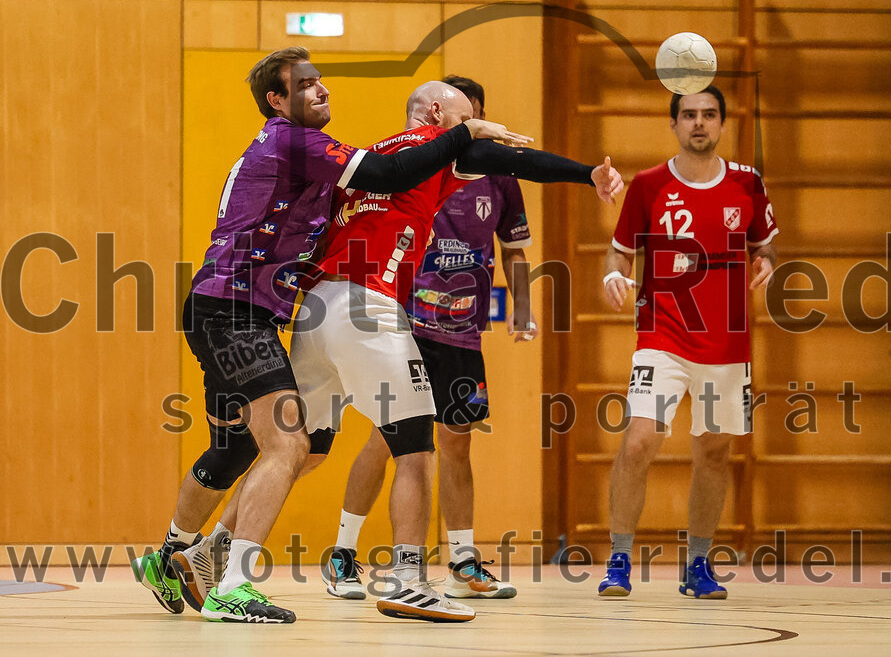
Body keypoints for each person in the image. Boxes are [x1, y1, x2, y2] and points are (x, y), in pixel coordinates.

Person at [132, 47, 530, 624]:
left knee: (248, 446)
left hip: (259, 312)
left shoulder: (321, 163)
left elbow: (363, 195)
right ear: (277, 100)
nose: (322, 91)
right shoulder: (300, 143)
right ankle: (237, 581)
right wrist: (469, 133)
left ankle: (180, 558)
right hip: (235, 307)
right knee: (294, 445)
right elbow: (388, 173)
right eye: (306, 84)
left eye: (322, 82)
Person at [289, 80, 622, 622]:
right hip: (383, 312)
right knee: (409, 445)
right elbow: (497, 154)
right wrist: (587, 174)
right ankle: (392, 573)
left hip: (349, 311)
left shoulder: (370, 160)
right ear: (443, 116)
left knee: (300, 449)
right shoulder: (433, 156)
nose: (479, 134)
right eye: (471, 123)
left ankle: (215, 551)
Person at [325, 75, 533, 603]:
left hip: (462, 331)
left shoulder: (500, 174)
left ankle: (463, 562)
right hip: (406, 322)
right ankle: (343, 553)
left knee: (456, 443)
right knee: (387, 437)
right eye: (466, 123)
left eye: (479, 122)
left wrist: (523, 310)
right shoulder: (418, 162)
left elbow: (514, 249)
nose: (474, 132)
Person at [597, 86, 778, 600]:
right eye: (690, 115)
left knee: (714, 452)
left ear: (723, 123)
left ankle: (697, 565)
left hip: (728, 341)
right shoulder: (650, 185)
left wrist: (767, 260)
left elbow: (765, 245)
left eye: (710, 114)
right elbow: (619, 255)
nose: (700, 122)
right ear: (673, 124)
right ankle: (618, 561)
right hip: (663, 332)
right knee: (639, 441)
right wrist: (614, 277)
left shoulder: (748, 183)